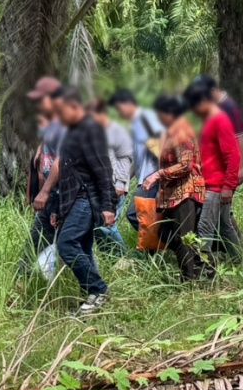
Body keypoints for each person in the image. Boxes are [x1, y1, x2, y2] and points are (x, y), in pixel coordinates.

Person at [53, 88, 117, 314]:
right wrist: (58, 210)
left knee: (66, 245)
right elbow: (67, 176)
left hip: (86, 199)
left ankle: (99, 289)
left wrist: (108, 207)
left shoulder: (90, 130)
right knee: (83, 248)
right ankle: (92, 299)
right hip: (72, 200)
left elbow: (103, 171)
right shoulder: (71, 133)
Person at [143, 95, 206, 281]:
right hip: (172, 193)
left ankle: (190, 278)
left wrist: (157, 175)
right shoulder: (170, 132)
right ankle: (197, 271)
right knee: (166, 233)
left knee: (184, 237)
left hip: (186, 191)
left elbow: (185, 165)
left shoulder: (182, 130)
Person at [185, 82, 243, 262]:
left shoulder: (220, 120)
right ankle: (239, 260)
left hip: (216, 187)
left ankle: (205, 267)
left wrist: (228, 187)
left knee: (204, 227)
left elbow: (233, 155)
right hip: (211, 184)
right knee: (225, 226)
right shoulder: (208, 120)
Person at [23, 76, 66, 272]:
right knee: (35, 242)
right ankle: (22, 280)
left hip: (64, 196)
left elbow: (61, 161)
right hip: (50, 199)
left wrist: (45, 192)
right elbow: (41, 166)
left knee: (71, 247)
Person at [109, 89, 164, 228]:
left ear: (128, 104)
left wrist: (160, 179)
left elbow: (160, 149)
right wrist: (124, 182)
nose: (119, 113)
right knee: (141, 217)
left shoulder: (146, 119)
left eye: (119, 108)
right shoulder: (135, 125)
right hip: (144, 180)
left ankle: (158, 240)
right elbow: (136, 159)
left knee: (135, 214)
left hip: (152, 179)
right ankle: (155, 240)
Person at [191, 74, 243, 187]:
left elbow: (241, 135)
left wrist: (240, 167)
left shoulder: (229, 106)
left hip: (229, 166)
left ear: (212, 91)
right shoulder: (213, 107)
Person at [90, 99, 133, 253]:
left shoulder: (116, 131)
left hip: (115, 186)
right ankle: (111, 258)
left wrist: (120, 184)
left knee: (107, 225)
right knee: (99, 226)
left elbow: (126, 158)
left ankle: (124, 257)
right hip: (102, 187)